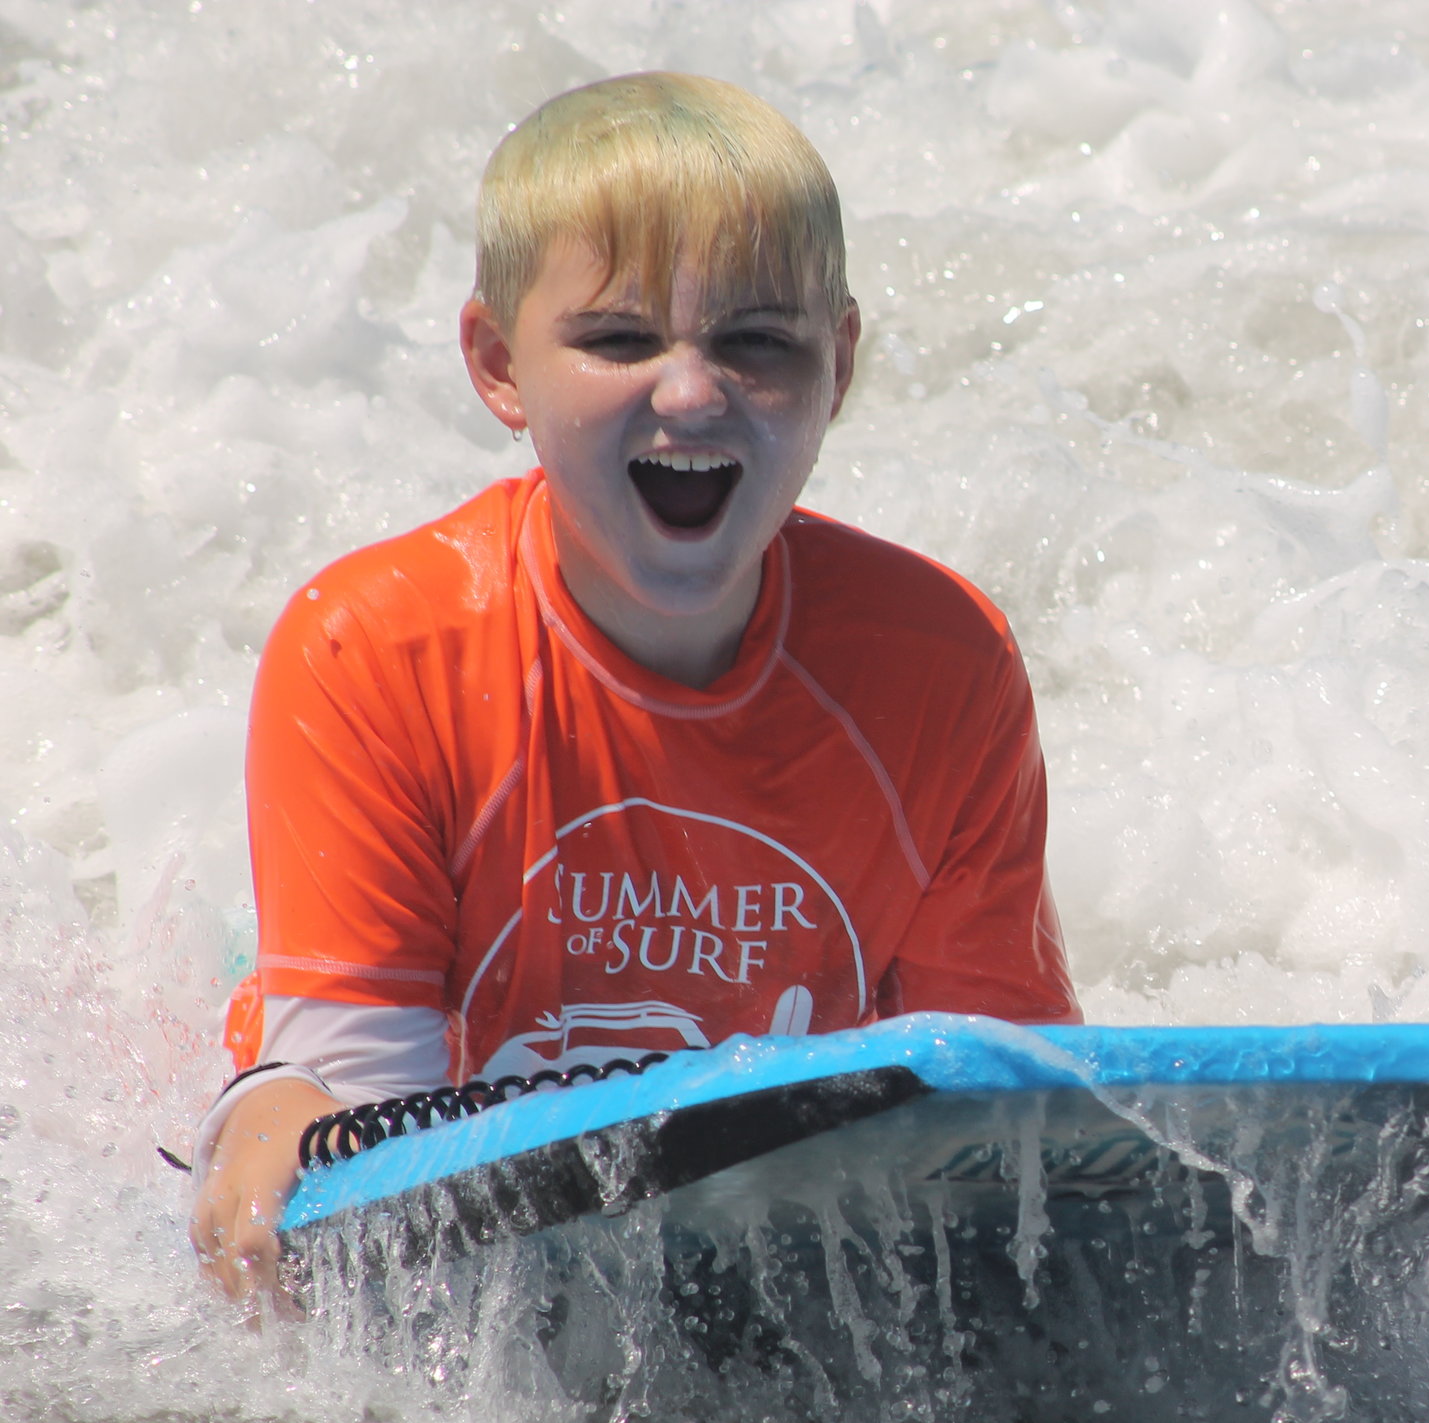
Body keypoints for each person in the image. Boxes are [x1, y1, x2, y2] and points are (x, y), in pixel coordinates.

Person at [188, 72, 1080, 1301]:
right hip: (359, 1101)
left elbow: (1006, 1113)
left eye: (758, 340)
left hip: (752, 1163)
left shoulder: (943, 666)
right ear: (500, 364)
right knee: (270, 1171)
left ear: (841, 364)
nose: (692, 390)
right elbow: (374, 1138)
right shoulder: (379, 648)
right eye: (617, 338)